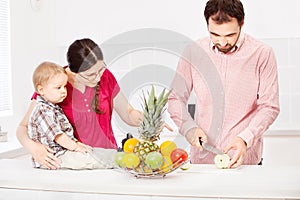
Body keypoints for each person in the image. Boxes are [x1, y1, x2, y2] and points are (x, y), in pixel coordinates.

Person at [168, 0, 280, 168]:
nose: (222, 43)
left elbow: (269, 106)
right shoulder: (193, 51)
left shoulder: (262, 54)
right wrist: (189, 128)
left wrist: (245, 138)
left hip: (244, 162)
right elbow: (175, 99)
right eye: (215, 35)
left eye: (229, 35)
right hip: (202, 162)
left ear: (241, 24)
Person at [17, 38, 143, 169]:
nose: (99, 77)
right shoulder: (55, 85)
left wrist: (143, 118)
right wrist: (34, 148)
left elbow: (128, 113)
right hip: (76, 163)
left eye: (101, 69)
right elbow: (23, 127)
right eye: (91, 75)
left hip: (110, 161)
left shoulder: (105, 76)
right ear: (74, 72)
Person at [28, 61, 116, 169]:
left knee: (94, 152)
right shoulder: (42, 110)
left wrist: (78, 145)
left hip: (65, 151)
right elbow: (58, 136)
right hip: (54, 157)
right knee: (89, 160)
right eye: (58, 87)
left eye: (65, 86)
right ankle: (116, 162)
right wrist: (75, 147)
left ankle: (116, 156)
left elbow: (67, 133)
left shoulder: (54, 108)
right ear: (41, 90)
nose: (64, 91)